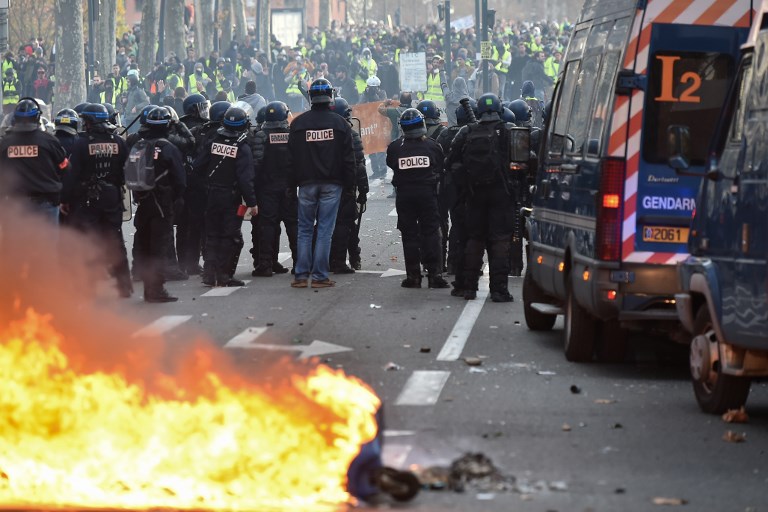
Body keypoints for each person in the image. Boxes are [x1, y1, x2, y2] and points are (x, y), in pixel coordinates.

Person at [445, 93, 518, 303]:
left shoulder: (466, 132)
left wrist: (464, 183)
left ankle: (468, 288)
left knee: (474, 239)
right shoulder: (509, 131)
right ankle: (499, 290)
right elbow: (524, 160)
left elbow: (450, 162)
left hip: (473, 194)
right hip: (501, 194)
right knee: (500, 240)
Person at [287, 78, 356, 289]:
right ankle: (319, 276)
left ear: (310, 98)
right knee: (325, 230)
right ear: (330, 97)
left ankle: (300, 276)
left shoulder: (298, 124)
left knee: (305, 230)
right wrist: (351, 187)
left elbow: (290, 159)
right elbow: (349, 160)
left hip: (306, 184)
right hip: (332, 184)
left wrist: (291, 186)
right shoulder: (340, 124)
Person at [61, 103, 132, 297]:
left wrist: (65, 198)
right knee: (115, 239)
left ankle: (90, 286)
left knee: (87, 240)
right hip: (112, 196)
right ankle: (124, 284)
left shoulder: (81, 143)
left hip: (87, 198)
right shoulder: (118, 141)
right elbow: (127, 169)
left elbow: (72, 174)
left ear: (90, 122)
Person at [193, 106, 258, 286]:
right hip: (231, 197)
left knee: (212, 234)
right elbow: (246, 179)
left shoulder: (213, 141)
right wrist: (252, 202)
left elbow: (198, 166)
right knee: (231, 237)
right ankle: (224, 275)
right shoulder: (242, 147)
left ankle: (209, 273)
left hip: (212, 194)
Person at [385, 108, 449, 289]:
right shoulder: (432, 145)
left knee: (409, 235)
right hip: (427, 195)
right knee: (431, 234)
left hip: (405, 195)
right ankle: (435, 275)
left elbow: (391, 163)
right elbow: (439, 163)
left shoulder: (396, 147)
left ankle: (413, 276)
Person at [131, 106, 187, 302]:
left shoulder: (138, 145)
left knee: (145, 246)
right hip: (162, 203)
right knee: (159, 248)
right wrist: (173, 198)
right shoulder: (168, 148)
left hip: (142, 201)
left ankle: (149, 289)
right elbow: (180, 180)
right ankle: (157, 290)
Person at [0, 98, 69, 224]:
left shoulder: (4, 144)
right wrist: (64, 197)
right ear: (37, 117)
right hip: (47, 203)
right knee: (47, 243)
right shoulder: (49, 141)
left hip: (15, 205)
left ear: (15, 119)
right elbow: (65, 167)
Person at [251, 100, 297, 277]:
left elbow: (256, 163)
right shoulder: (291, 134)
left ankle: (266, 264)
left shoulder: (262, 135)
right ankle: (300, 263)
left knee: (267, 226)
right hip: (288, 187)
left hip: (267, 188)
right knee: (293, 225)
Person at [329, 97, 368, 273]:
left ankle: (330, 258)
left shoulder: (323, 133)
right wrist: (363, 190)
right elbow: (359, 165)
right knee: (347, 225)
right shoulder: (351, 135)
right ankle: (348, 258)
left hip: (326, 186)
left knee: (325, 224)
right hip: (347, 186)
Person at [176, 93, 210, 275]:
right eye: (202, 107)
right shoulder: (200, 129)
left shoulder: (179, 127)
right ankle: (192, 262)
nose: (205, 110)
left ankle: (183, 262)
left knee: (183, 224)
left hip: (183, 181)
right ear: (194, 109)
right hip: (196, 181)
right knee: (197, 223)